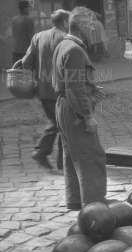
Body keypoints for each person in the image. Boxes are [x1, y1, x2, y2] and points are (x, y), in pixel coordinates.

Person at [52, 7, 107, 210]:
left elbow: (70, 81)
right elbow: (73, 87)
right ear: (81, 26)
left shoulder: (63, 44)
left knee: (71, 155)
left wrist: (90, 87)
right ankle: (94, 205)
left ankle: (75, 200)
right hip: (74, 110)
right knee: (90, 155)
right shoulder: (75, 49)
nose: (93, 29)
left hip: (63, 107)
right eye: (91, 25)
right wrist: (87, 116)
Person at [22, 9, 70, 171]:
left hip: (44, 90)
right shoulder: (67, 39)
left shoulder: (38, 36)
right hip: (62, 90)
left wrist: (37, 76)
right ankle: (42, 152)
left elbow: (26, 63)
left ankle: (60, 162)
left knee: (58, 122)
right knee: (63, 124)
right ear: (65, 22)